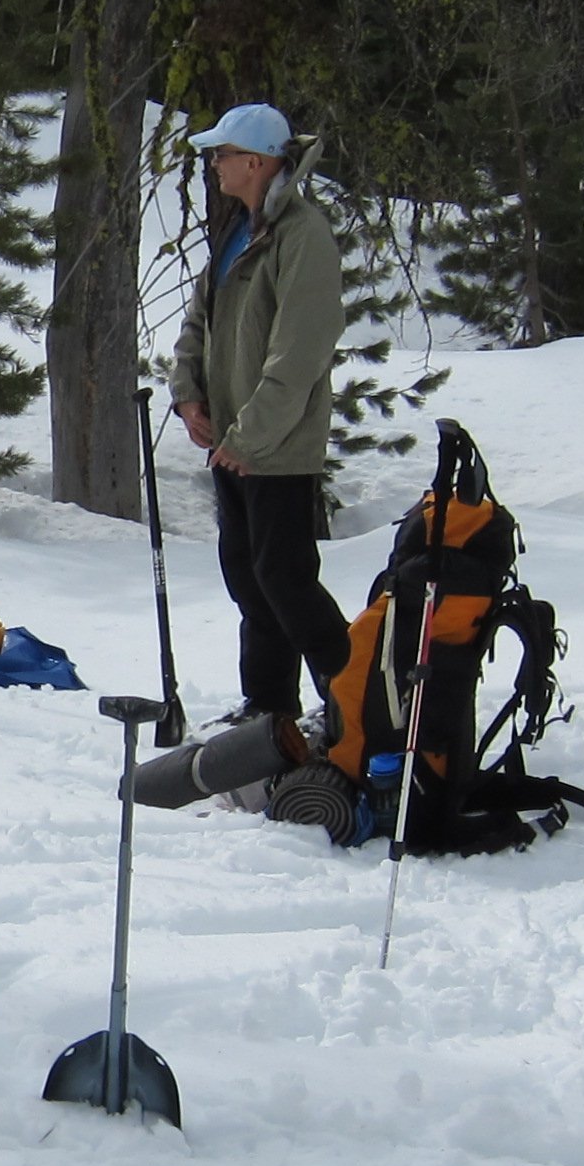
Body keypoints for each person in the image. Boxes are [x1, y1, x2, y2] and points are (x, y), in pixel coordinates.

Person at [167, 102, 355, 733]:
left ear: (256, 161)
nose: (214, 164)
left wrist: (251, 435)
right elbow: (200, 319)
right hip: (233, 443)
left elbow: (300, 351)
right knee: (250, 578)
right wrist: (188, 393)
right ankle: (270, 707)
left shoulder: (302, 236)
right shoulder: (239, 231)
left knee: (286, 579)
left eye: (222, 154)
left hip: (275, 447)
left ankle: (354, 705)